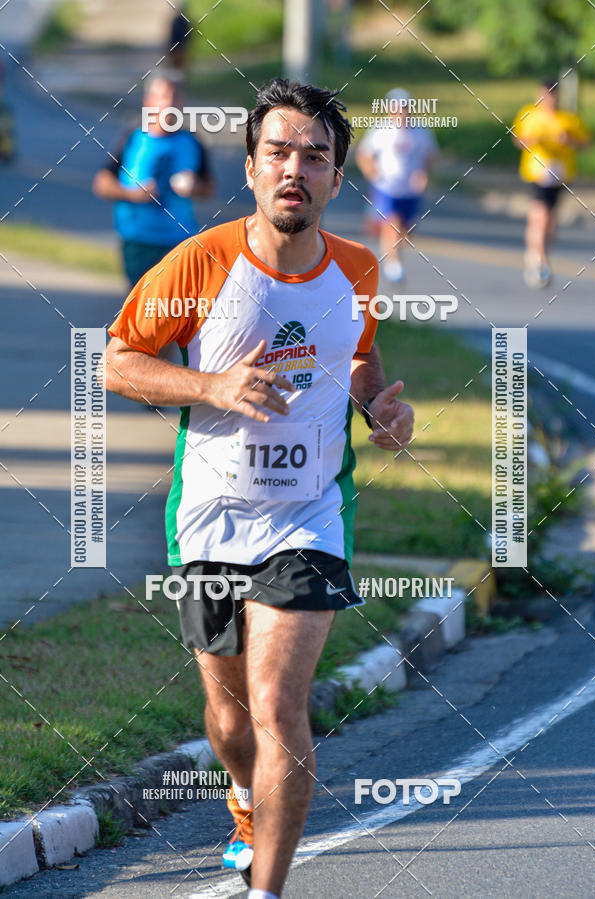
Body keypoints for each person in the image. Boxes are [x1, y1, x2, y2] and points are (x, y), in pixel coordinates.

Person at [104, 77, 414, 898]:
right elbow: (118, 361)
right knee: (233, 723)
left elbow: (357, 353)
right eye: (278, 150)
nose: (294, 168)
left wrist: (379, 405)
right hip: (207, 515)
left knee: (279, 708)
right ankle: (242, 797)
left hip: (309, 514)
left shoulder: (356, 269)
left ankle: (268, 891)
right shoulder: (199, 263)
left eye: (315, 156)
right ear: (250, 166)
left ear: (337, 179)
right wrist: (211, 387)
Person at [92, 76, 213, 288]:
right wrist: (132, 195)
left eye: (174, 97)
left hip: (179, 241)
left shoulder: (192, 141)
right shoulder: (133, 138)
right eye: (162, 97)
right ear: (149, 102)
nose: (168, 103)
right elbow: (102, 183)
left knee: (177, 308)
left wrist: (194, 187)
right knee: (143, 308)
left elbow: (209, 187)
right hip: (138, 242)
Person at [512, 78, 591, 288]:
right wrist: (531, 141)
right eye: (545, 94)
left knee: (550, 221)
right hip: (536, 173)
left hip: (561, 175)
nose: (548, 99)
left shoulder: (568, 118)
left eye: (552, 95)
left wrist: (569, 140)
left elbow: (586, 142)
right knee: (540, 216)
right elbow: (517, 139)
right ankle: (538, 262)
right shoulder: (529, 114)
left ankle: (538, 253)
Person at [356, 87, 437, 283]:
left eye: (404, 108)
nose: (401, 113)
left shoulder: (420, 130)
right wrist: (372, 172)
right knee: (392, 223)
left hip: (410, 189)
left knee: (407, 232)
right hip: (387, 186)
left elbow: (431, 156)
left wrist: (424, 175)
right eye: (396, 108)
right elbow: (364, 154)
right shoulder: (381, 129)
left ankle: (392, 252)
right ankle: (393, 265)